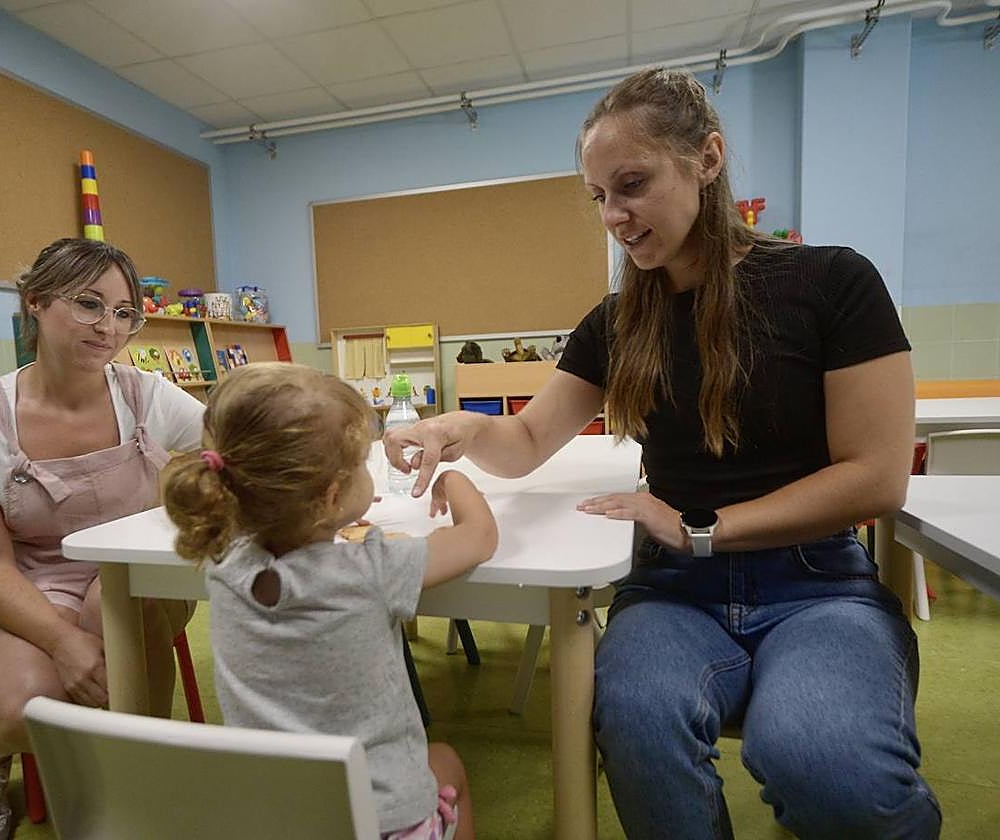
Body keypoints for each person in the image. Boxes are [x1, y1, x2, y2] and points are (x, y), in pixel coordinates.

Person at [384, 68, 940, 839]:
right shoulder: (617, 322)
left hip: (818, 587)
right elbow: (526, 441)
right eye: (599, 197)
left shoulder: (831, 282)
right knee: (639, 728)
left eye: (633, 184)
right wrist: (461, 430)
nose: (614, 214)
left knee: (822, 760)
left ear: (707, 159)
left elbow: (877, 478)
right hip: (676, 595)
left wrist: (701, 525)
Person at [0, 238, 205, 840]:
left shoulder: (149, 396)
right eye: (88, 304)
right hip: (27, 586)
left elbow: (239, 433)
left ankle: (139, 780)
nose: (108, 327)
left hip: (135, 577)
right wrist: (61, 642)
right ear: (35, 301)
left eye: (124, 312)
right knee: (20, 708)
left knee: (125, 616)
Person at [160, 363, 498, 840]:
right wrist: (454, 482)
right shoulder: (370, 570)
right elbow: (479, 537)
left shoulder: (220, 560)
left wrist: (322, 518)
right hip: (382, 820)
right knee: (448, 763)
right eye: (362, 464)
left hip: (272, 820)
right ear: (332, 496)